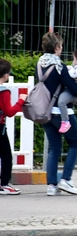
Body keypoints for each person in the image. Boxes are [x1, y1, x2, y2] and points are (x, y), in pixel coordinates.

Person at [38, 32, 77, 196]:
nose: (62, 48)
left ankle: (52, 185)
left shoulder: (40, 64)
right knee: (75, 143)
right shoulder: (59, 66)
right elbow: (74, 88)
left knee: (54, 148)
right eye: (61, 46)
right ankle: (66, 180)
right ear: (57, 47)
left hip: (45, 112)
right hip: (61, 112)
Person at [0, 59, 28, 195]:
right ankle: (4, 184)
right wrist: (21, 100)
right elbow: (9, 112)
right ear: (5, 75)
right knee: (6, 156)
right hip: (0, 128)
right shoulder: (3, 92)